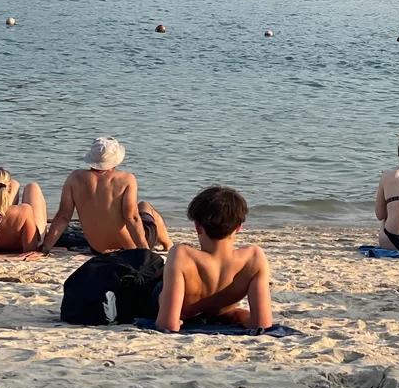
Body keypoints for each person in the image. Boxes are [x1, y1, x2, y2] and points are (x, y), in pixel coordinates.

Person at [154, 186, 272, 333]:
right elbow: (262, 324)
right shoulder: (253, 258)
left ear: (197, 226)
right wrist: (241, 315)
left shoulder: (182, 255)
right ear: (239, 227)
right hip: (216, 313)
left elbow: (167, 325)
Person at [41, 136, 172, 255]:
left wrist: (45, 249)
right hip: (130, 247)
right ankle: (168, 245)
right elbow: (131, 218)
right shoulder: (126, 179)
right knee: (144, 206)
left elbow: (63, 217)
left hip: (98, 248)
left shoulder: (74, 178)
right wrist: (144, 252)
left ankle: (165, 245)